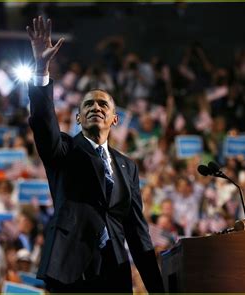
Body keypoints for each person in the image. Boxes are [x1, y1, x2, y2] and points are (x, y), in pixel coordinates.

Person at [25, 16, 164, 293]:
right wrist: (41, 69)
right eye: (88, 104)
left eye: (103, 104)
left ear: (115, 119)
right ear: (78, 117)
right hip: (70, 270)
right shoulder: (63, 150)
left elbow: (137, 234)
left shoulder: (128, 166)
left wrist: (157, 290)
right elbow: (43, 123)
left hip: (114, 273)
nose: (96, 107)